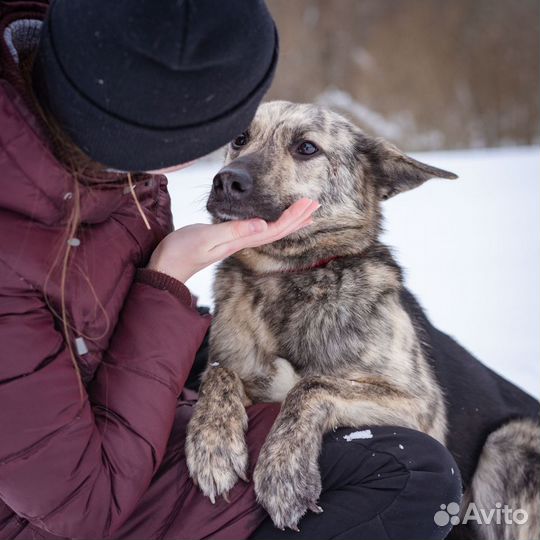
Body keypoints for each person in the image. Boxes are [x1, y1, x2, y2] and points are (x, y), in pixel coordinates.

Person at [0, 1, 461, 539]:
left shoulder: (104, 148)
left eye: (303, 150)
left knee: (429, 373)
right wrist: (169, 275)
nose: (231, 169)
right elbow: (82, 504)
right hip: (69, 499)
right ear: (135, 125)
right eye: (238, 138)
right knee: (410, 472)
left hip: (96, 406)